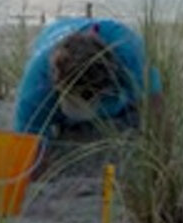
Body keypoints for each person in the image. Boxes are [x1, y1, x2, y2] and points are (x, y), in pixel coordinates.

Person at [13, 17, 163, 147]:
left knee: (130, 110)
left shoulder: (131, 53)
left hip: (116, 86)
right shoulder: (35, 85)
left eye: (90, 96)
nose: (86, 99)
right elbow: (29, 145)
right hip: (55, 38)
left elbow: (157, 111)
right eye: (82, 95)